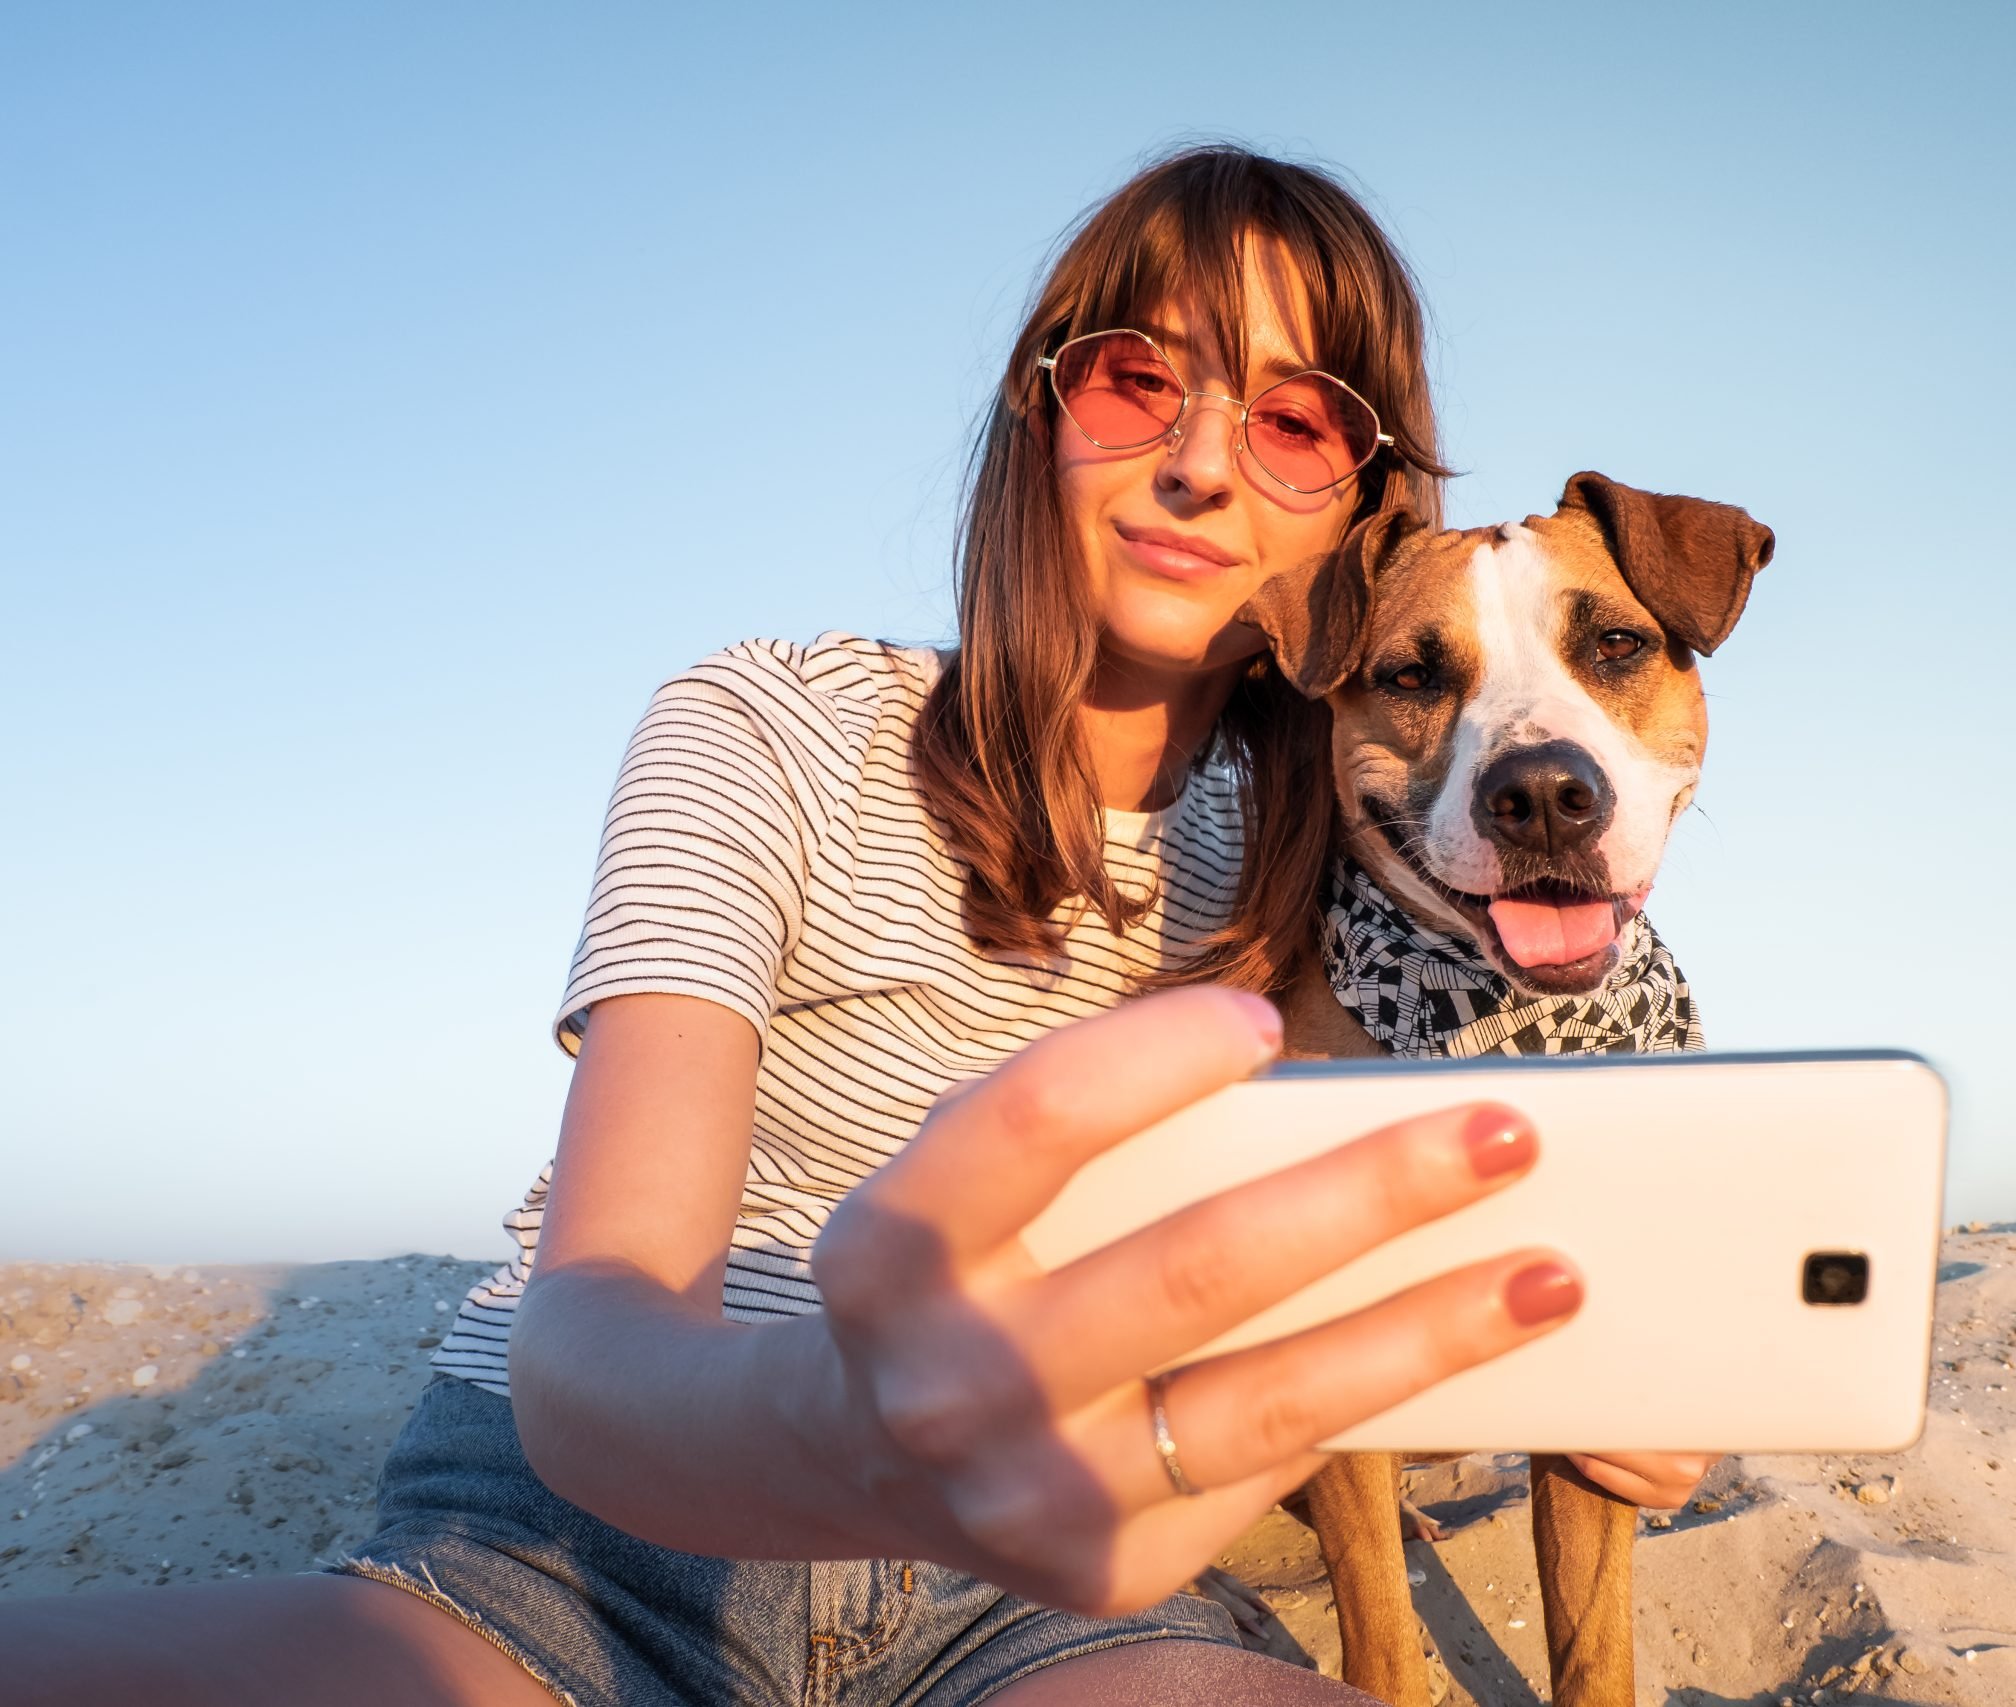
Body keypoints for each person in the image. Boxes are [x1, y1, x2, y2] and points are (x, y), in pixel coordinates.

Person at [3, 145, 1707, 1706]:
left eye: (1293, 419)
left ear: (1369, 502)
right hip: (591, 1538)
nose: (1199, 462)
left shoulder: (1377, 838)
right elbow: (595, 1322)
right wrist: (840, 1429)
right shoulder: (768, 724)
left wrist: (1630, 1379)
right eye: (1137, 380)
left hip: (1052, 1583)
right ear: (1039, 414)